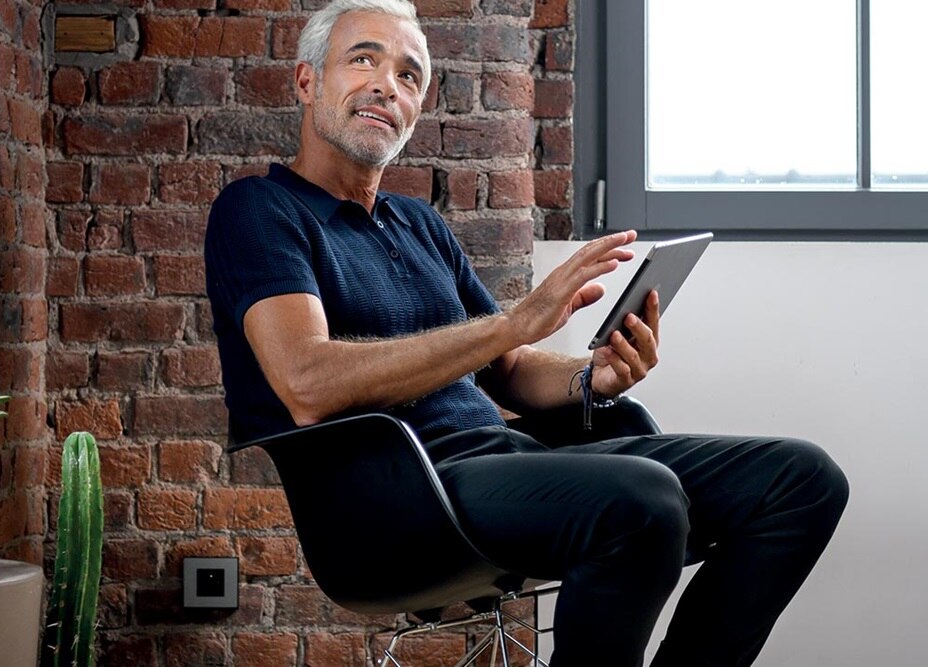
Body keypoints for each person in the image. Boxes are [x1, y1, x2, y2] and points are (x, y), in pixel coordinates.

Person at [204, 1, 849, 664]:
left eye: (408, 76)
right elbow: (307, 382)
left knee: (803, 480)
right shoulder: (259, 210)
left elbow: (509, 368)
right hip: (393, 508)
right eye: (363, 59)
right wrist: (513, 320)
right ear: (307, 82)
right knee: (644, 497)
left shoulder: (419, 226)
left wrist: (591, 376)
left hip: (504, 465)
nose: (384, 84)